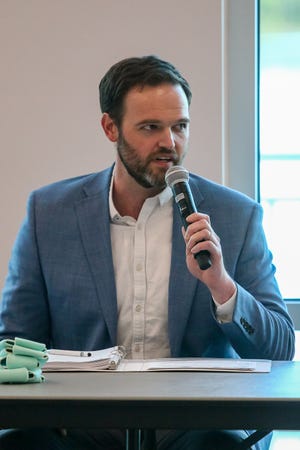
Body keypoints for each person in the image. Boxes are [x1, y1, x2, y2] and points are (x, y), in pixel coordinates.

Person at [0, 55, 295, 449]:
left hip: (199, 426)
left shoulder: (235, 216)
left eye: (180, 127)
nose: (169, 143)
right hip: (77, 426)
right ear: (110, 127)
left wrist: (222, 286)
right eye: (150, 128)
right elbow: (14, 343)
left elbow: (280, 348)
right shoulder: (49, 213)